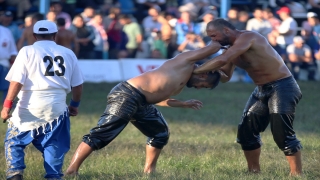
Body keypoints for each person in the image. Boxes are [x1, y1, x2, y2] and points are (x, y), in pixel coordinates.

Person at [65, 41, 222, 176]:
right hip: (127, 95)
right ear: (203, 75)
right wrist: (226, 41)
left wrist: (182, 103)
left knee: (160, 133)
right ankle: (72, 170)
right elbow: (212, 48)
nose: (198, 88)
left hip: (142, 102)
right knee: (102, 134)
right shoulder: (184, 61)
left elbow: (159, 99)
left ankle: (149, 171)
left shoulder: (182, 81)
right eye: (202, 86)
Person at [193, 18, 303, 176]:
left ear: (226, 30)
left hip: (283, 87)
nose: (213, 40)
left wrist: (195, 70)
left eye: (214, 35)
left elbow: (222, 60)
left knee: (282, 134)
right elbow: (225, 76)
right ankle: (254, 172)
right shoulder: (230, 50)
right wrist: (209, 74)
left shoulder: (249, 37)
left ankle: (296, 174)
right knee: (246, 132)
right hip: (261, 89)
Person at [1, 20, 84, 180]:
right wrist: (74, 105)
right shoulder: (68, 53)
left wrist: (7, 106)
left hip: (29, 104)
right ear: (55, 35)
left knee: (14, 141)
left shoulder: (26, 51)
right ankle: (53, 175)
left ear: (34, 35)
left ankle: (15, 173)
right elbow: (78, 86)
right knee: (53, 144)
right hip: (57, 106)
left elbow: (16, 82)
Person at [0, 25, 17, 103]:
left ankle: (5, 107)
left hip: (4, 63)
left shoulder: (6, 31)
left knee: (7, 88)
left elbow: (13, 51)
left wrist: (13, 64)